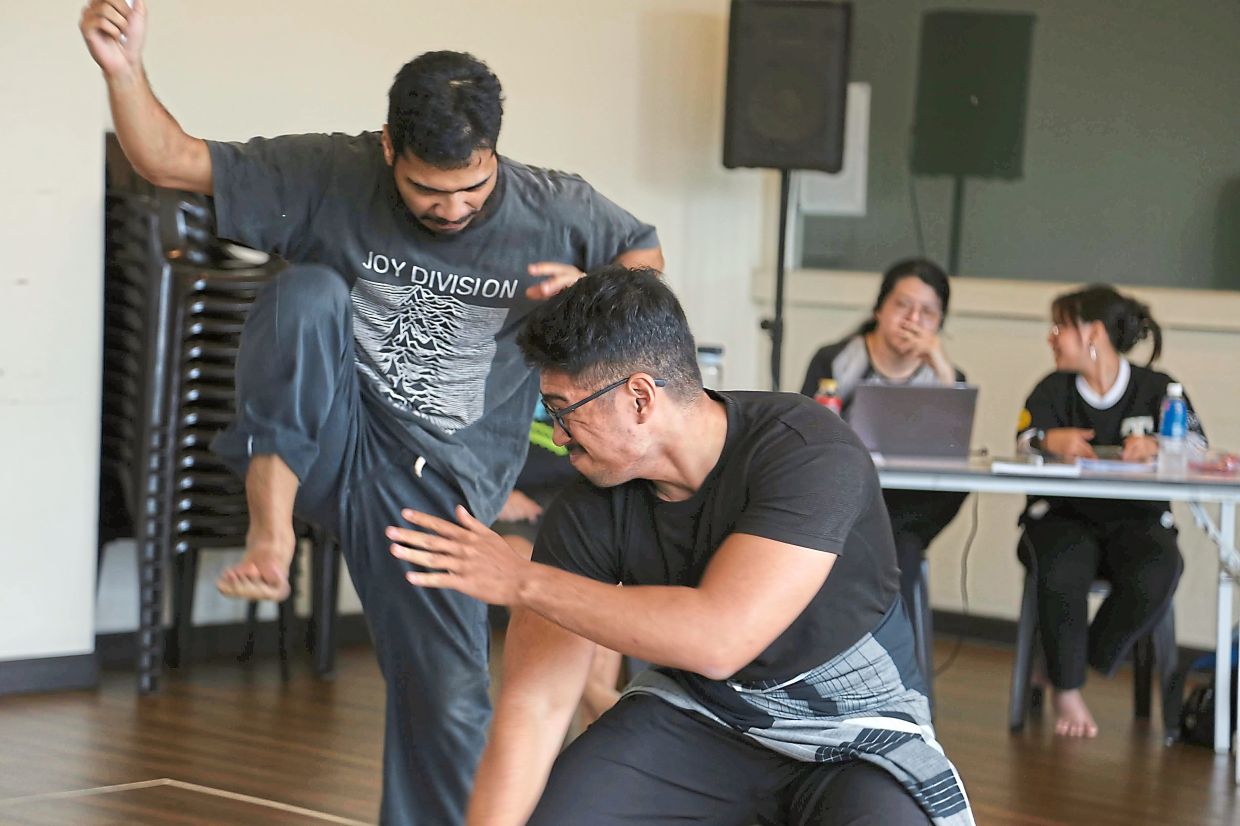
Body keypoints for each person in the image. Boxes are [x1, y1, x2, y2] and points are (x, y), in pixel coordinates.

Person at [80, 3, 663, 822]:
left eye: (472, 189)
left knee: (450, 704)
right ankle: (272, 532)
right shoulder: (331, 172)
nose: (454, 210)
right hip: (329, 439)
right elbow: (167, 158)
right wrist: (122, 69)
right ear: (390, 147)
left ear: (495, 154)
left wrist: (598, 293)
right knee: (307, 291)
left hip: (436, 485)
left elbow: (644, 252)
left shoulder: (553, 206)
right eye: (429, 191)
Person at [386, 267, 973, 825]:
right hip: (703, 718)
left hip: (853, 731)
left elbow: (719, 638)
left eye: (564, 412)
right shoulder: (589, 507)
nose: (557, 434)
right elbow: (533, 711)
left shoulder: (807, 449)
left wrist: (521, 580)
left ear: (640, 398)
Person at [1016, 284, 1204, 738]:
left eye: (1061, 327)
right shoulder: (1051, 388)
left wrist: (1159, 445)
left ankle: (1070, 664)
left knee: (1159, 569)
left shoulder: (1159, 389)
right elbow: (1022, 442)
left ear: (1093, 333)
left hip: (1137, 521)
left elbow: (1198, 448)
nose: (1052, 337)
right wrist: (1048, 441)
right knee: (1061, 567)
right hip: (1063, 518)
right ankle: (1067, 688)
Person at [800, 259, 968, 646]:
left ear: (940, 323)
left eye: (927, 313)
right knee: (889, 551)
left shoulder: (946, 375)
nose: (913, 320)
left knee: (902, 545)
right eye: (902, 306)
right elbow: (808, 431)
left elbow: (954, 452)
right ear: (879, 309)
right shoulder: (836, 359)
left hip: (910, 509)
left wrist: (942, 368)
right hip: (846, 501)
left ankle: (887, 661)